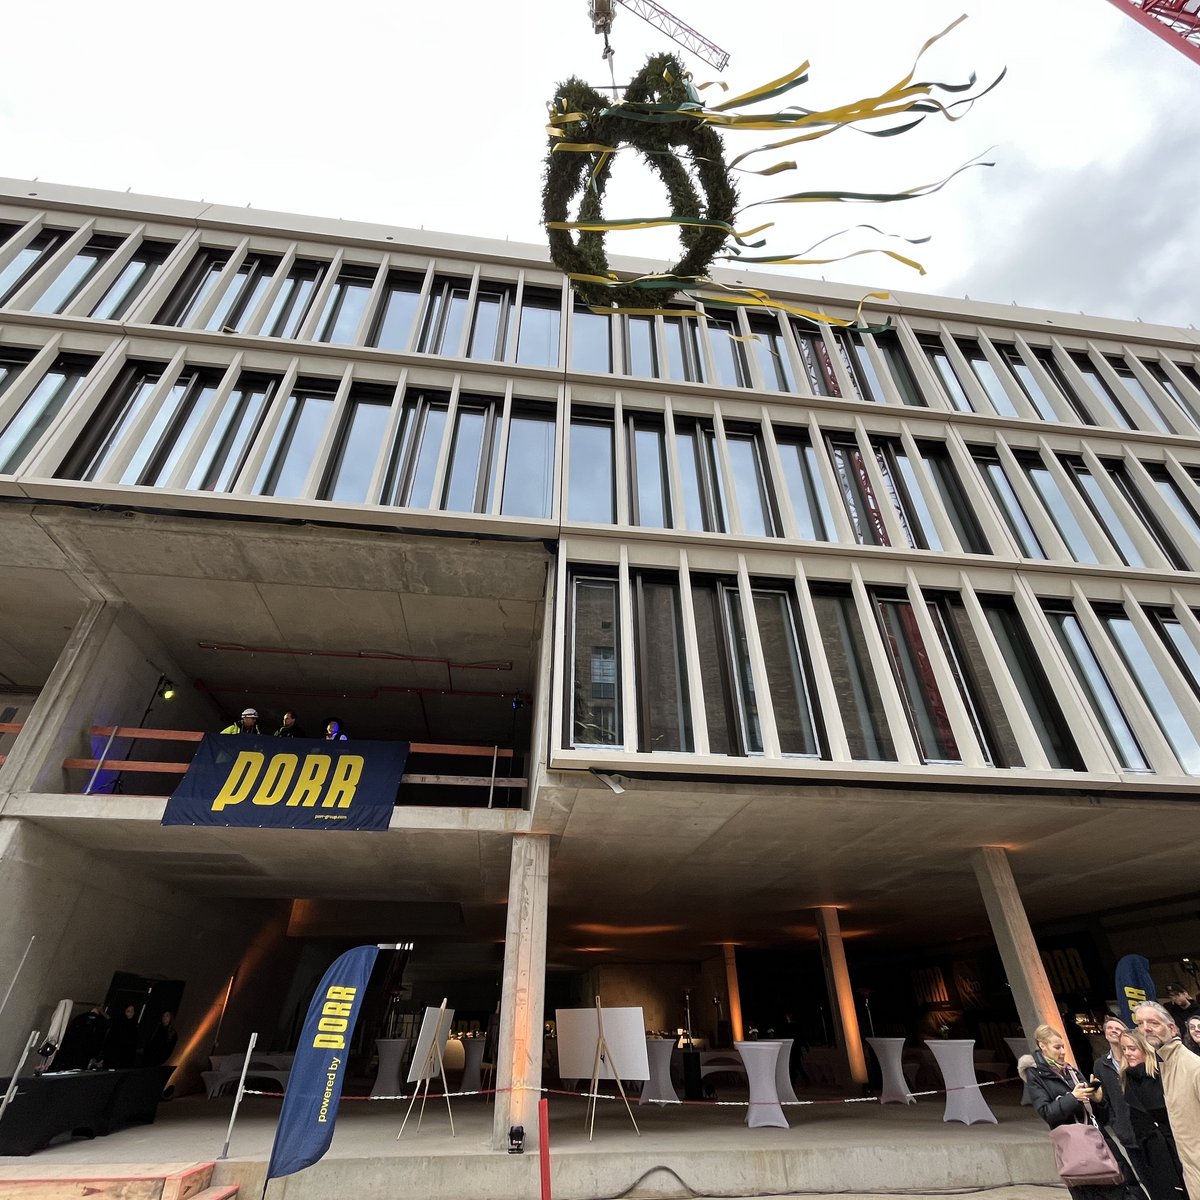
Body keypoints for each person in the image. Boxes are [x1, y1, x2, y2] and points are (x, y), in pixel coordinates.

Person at [1019, 1023, 1134, 1200]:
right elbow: (1047, 1113)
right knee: (1088, 1192)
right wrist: (1073, 1098)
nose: (1062, 1052)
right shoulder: (1036, 1075)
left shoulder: (1071, 1071)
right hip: (1074, 1146)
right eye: (1057, 1047)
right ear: (1042, 1046)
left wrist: (1098, 1099)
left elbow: (1101, 1117)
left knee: (1122, 1186)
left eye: (1063, 1047)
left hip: (1097, 1138)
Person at [1134, 1000, 1200, 1200]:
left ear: (1171, 1028)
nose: (1146, 1029)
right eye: (1140, 1023)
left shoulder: (1193, 1068)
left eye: (1153, 1023)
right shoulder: (1167, 1066)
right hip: (1191, 1172)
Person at [1117, 1027, 1186, 1200]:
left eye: (1132, 1048)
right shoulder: (1126, 1078)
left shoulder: (1162, 1073)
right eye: (1124, 1049)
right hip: (1150, 1153)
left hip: (1175, 1148)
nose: (1127, 1053)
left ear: (1145, 1048)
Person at [1093, 1016, 1151, 1196]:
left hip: (1148, 1129)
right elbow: (1104, 1100)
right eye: (1109, 1028)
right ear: (1105, 1033)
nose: (1113, 1031)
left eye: (1118, 1028)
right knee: (1145, 1177)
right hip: (1126, 1131)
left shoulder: (1137, 1059)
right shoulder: (1100, 1065)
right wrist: (1115, 1121)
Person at [104, 1003, 140, 1069]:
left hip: (126, 1057)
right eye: (128, 1011)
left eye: (132, 1011)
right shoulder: (119, 1023)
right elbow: (111, 1039)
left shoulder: (134, 1025)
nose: (131, 1013)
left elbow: (134, 1043)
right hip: (114, 1055)